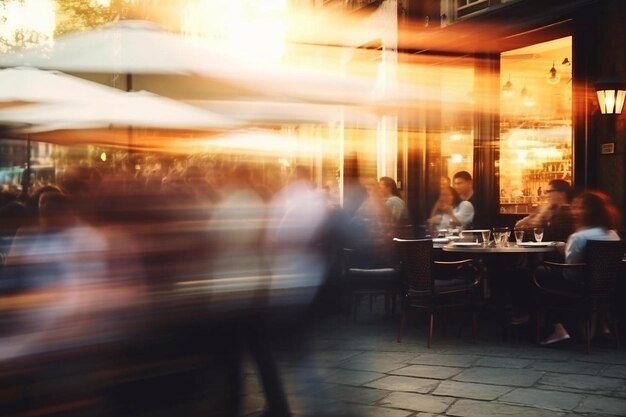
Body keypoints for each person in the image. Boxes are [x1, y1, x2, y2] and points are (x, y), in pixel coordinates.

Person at [538, 190, 621, 345]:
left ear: (589, 212)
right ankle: (602, 326)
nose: (574, 212)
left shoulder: (578, 237)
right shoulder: (613, 234)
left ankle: (557, 327)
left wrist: (564, 249)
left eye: (579, 208)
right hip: (606, 285)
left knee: (539, 275)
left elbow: (570, 271)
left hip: (579, 285)